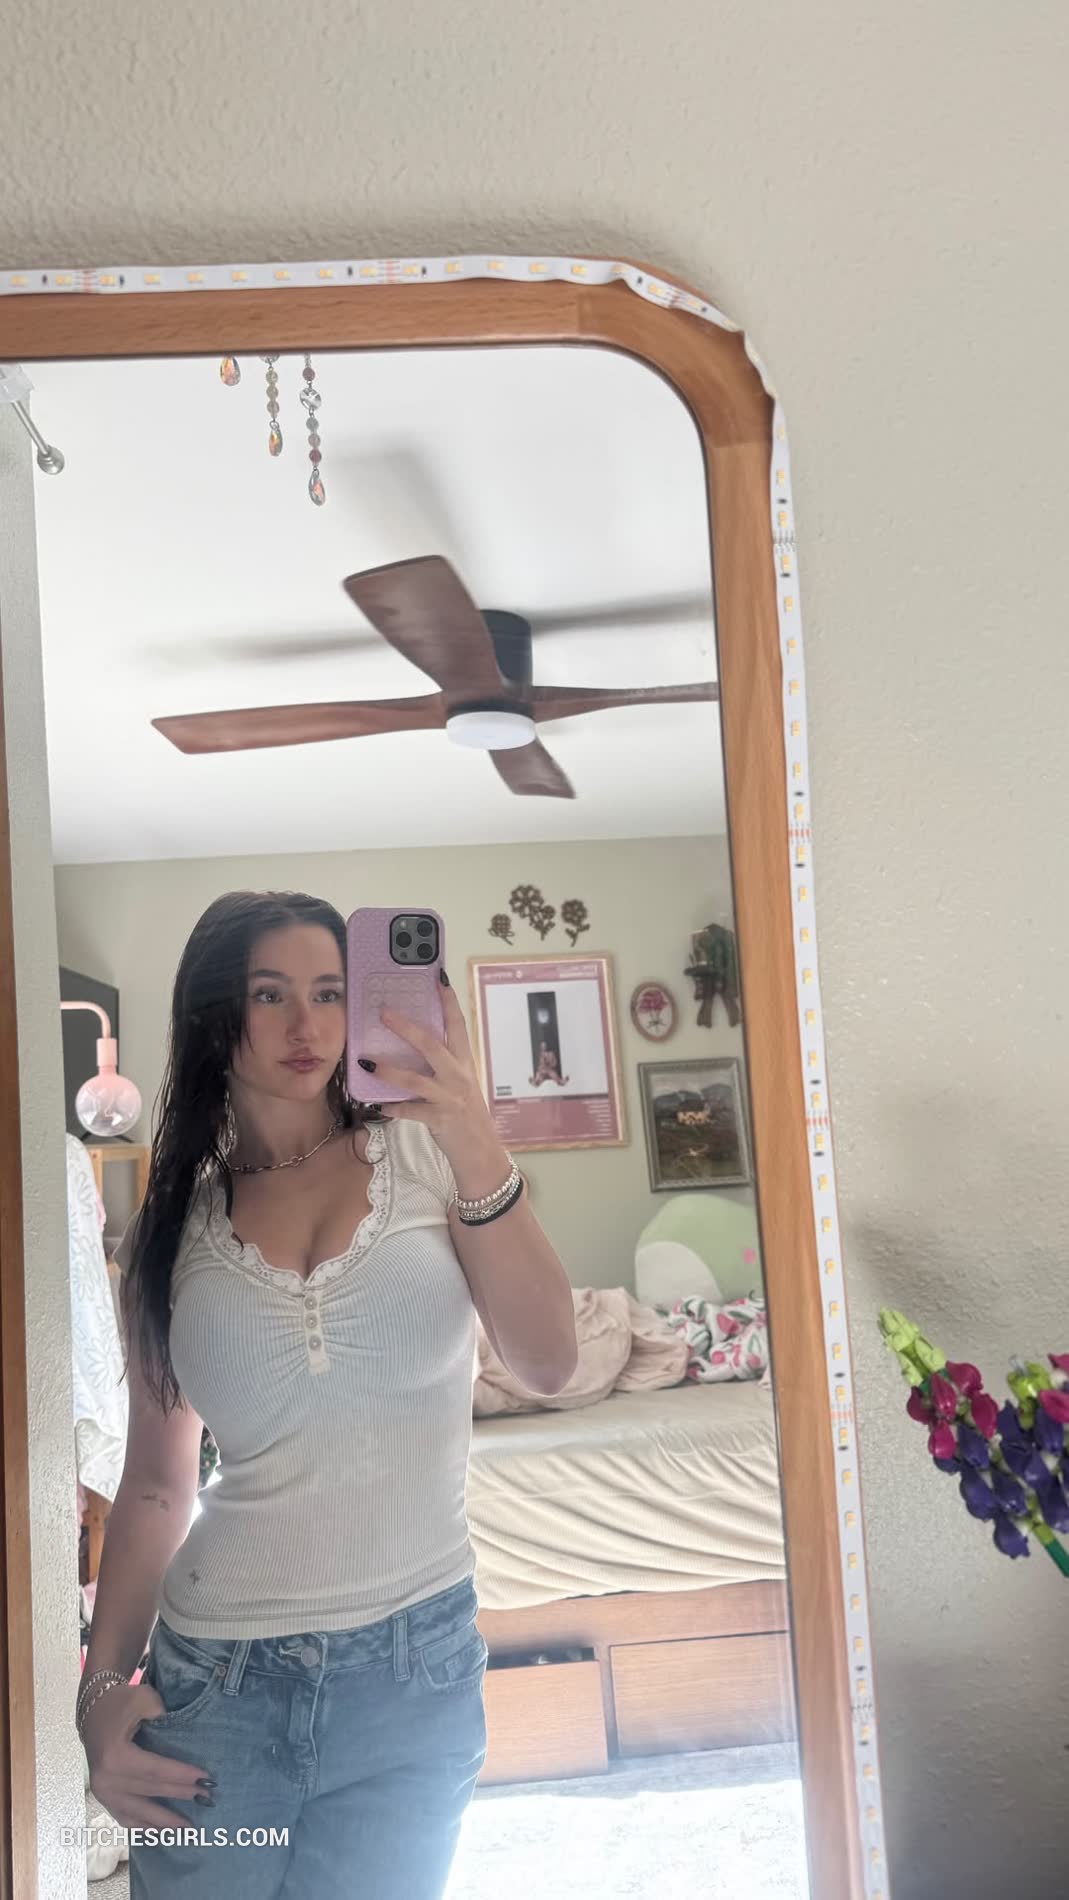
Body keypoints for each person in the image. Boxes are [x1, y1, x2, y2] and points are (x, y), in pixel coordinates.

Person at [77, 891, 578, 1899]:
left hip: (412, 1686)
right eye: (270, 994)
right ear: (216, 1013)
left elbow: (549, 1362)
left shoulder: (434, 1160)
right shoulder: (172, 1235)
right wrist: (96, 1698)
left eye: (329, 992)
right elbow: (158, 1488)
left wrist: (475, 1132)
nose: (305, 1024)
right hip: (216, 1695)